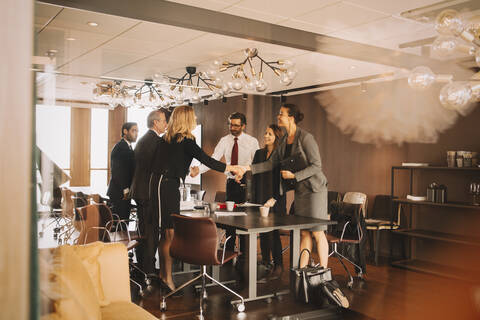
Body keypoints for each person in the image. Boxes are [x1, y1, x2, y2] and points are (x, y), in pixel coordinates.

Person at [152, 105, 241, 292]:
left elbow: (171, 162)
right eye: (192, 117)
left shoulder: (167, 140)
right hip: (167, 187)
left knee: (165, 233)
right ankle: (167, 279)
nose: (194, 120)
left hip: (162, 184)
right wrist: (229, 168)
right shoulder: (187, 140)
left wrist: (187, 170)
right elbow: (206, 160)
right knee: (169, 233)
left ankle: (163, 274)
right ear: (186, 119)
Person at [236, 104, 329, 269]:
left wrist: (295, 176)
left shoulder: (306, 138)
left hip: (315, 191)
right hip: (301, 192)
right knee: (305, 232)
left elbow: (317, 166)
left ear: (291, 118)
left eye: (281, 114)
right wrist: (247, 168)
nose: (278, 117)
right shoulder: (285, 140)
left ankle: (323, 273)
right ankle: (302, 272)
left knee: (317, 232)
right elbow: (271, 163)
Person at [130, 109, 170, 278]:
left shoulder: (144, 139)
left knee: (144, 228)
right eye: (164, 122)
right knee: (150, 231)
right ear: (156, 123)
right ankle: (149, 269)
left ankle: (144, 265)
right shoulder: (155, 141)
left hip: (140, 191)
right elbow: (158, 168)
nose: (166, 125)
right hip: (147, 193)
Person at [194, 112, 259, 203]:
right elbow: (213, 160)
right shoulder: (224, 141)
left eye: (236, 125)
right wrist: (198, 170)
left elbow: (257, 164)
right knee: (230, 213)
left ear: (243, 126)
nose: (232, 128)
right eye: (230, 125)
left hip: (247, 183)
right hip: (231, 183)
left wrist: (245, 172)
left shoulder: (252, 141)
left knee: (247, 213)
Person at [251, 124, 286, 277]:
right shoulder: (259, 153)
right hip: (260, 196)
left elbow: (284, 181)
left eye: (270, 134)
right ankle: (266, 261)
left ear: (276, 137)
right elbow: (254, 174)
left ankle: (278, 265)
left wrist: (275, 198)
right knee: (262, 232)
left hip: (275, 198)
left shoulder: (281, 155)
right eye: (265, 133)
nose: (265, 136)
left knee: (273, 233)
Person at [107, 122, 138, 222]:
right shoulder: (121, 147)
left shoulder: (127, 146)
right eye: (134, 130)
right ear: (125, 131)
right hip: (119, 192)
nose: (136, 134)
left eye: (137, 131)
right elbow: (118, 171)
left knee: (123, 222)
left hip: (121, 191)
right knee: (120, 224)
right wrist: (125, 190)